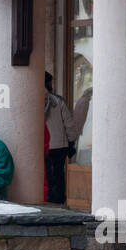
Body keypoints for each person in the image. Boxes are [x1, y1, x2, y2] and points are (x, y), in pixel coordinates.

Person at [44, 72, 75, 204]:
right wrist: (71, 141)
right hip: (59, 145)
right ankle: (59, 202)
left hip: (43, 146)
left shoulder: (32, 99)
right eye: (50, 82)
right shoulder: (58, 101)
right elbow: (69, 124)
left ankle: (49, 200)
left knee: (47, 177)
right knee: (58, 176)